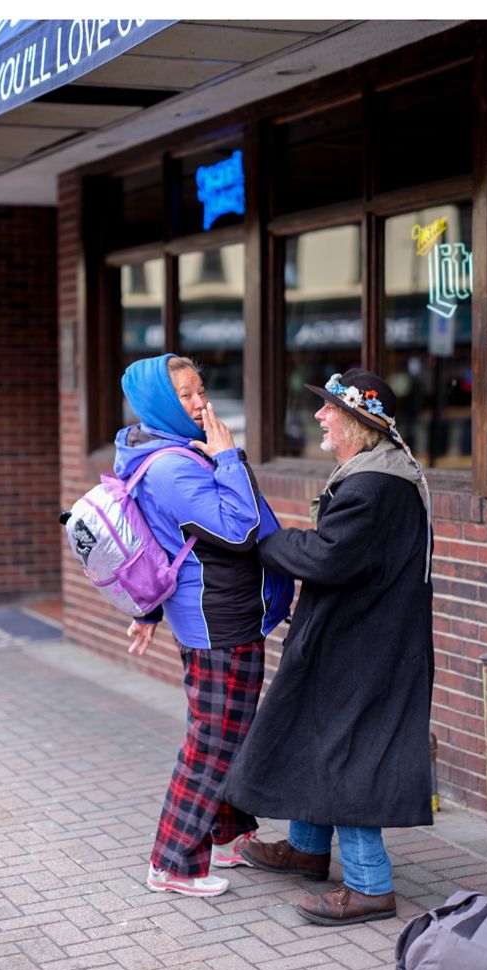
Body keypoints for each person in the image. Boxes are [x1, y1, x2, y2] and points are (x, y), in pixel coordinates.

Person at [221, 368, 435, 925]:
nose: (319, 415)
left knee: (349, 755)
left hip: (364, 647)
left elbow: (326, 559)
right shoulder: (376, 475)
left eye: (330, 409)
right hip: (357, 640)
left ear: (358, 424)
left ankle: (370, 887)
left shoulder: (372, 487)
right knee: (317, 737)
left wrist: (268, 542)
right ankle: (307, 847)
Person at [113, 354, 291, 898]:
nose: (200, 403)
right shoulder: (173, 466)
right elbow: (239, 531)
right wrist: (229, 457)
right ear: (162, 404)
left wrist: (147, 612)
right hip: (220, 621)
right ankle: (172, 862)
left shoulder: (158, 449)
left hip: (216, 615)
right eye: (186, 396)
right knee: (211, 743)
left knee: (227, 734)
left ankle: (228, 834)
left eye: (200, 390)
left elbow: (161, 538)